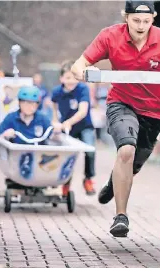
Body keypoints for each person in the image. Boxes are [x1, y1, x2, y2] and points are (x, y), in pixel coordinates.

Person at [71, 0, 160, 237]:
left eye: (146, 21)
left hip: (154, 112)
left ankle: (113, 183)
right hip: (122, 103)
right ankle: (121, 217)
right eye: (135, 20)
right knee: (126, 150)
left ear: (154, 18)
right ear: (125, 17)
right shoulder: (109, 36)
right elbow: (80, 63)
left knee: (134, 164)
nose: (140, 26)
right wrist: (82, 73)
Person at [52, 61, 96, 196]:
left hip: (84, 126)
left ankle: (88, 179)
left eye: (74, 77)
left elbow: (83, 111)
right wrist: (55, 123)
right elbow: (54, 109)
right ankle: (65, 183)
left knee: (90, 151)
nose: (71, 81)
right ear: (61, 79)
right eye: (67, 78)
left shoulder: (83, 89)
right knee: (67, 155)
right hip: (67, 128)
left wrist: (69, 122)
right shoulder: (56, 92)